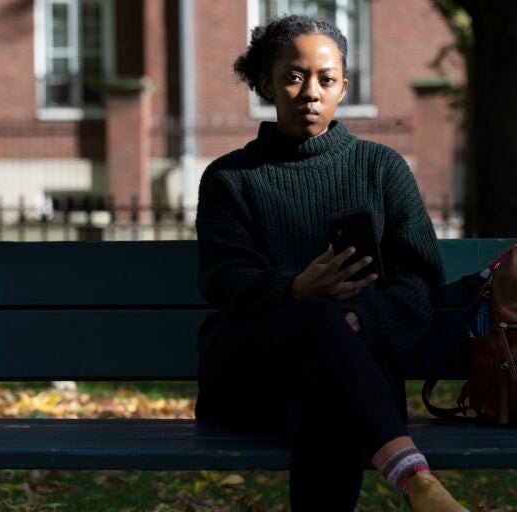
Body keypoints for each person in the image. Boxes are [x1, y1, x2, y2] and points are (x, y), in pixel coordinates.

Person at [194, 14, 468, 512]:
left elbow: (419, 282)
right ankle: (415, 479)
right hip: (251, 377)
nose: (310, 92)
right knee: (317, 321)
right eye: (294, 77)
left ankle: (414, 479)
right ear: (265, 84)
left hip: (348, 373)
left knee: (325, 399)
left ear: (344, 86)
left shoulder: (381, 169)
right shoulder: (229, 178)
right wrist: (297, 289)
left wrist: (360, 320)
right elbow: (224, 277)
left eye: (326, 78)